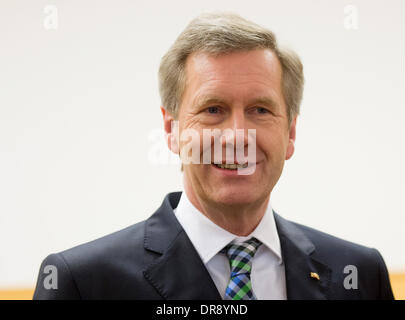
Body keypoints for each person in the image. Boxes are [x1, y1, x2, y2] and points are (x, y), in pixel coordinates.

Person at [33, 12, 394, 300]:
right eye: (212, 109)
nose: (238, 136)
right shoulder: (83, 284)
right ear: (172, 131)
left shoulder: (361, 274)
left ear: (291, 133)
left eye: (260, 110)